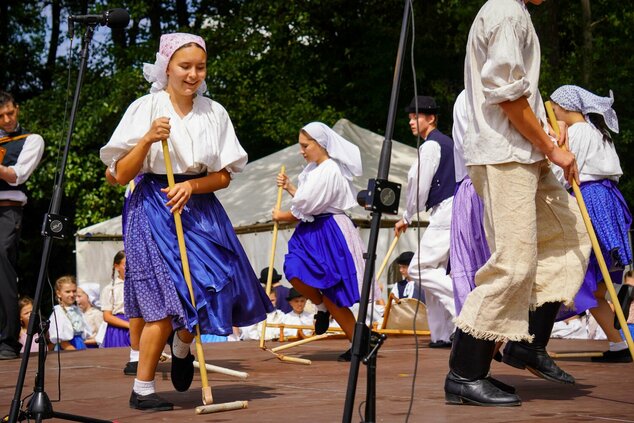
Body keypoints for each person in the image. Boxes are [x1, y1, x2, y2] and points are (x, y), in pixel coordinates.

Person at [100, 32, 273, 411]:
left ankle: (183, 343)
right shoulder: (145, 107)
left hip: (200, 204)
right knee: (168, 299)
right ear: (166, 67)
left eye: (200, 66)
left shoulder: (215, 112)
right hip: (153, 206)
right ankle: (142, 389)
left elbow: (226, 174)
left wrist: (192, 185)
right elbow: (118, 175)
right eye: (185, 66)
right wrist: (146, 139)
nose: (193, 74)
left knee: (208, 289)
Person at [445, 0, 591, 407]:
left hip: (524, 151)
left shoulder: (517, 12)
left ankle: (527, 343)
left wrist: (546, 138)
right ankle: (464, 373)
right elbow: (507, 98)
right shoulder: (506, 12)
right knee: (514, 262)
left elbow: (521, 95)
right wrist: (551, 147)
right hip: (504, 154)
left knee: (569, 237)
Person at [549, 85, 633, 363]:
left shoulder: (578, 132)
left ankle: (532, 339)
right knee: (594, 286)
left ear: (564, 107)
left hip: (590, 201)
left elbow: (565, 172)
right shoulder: (596, 132)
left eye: (554, 106)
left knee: (579, 277)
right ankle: (619, 344)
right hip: (605, 199)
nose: (553, 112)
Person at [273, 121, 365, 362]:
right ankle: (320, 307)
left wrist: (282, 216)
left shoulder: (330, 169)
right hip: (312, 230)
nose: (301, 151)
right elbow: (307, 200)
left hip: (329, 230)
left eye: (305, 146)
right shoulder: (315, 169)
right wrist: (291, 187)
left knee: (333, 291)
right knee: (294, 271)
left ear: (320, 144)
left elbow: (308, 206)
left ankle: (358, 344)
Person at [394, 95, 456, 349]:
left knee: (419, 268)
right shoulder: (449, 144)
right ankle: (441, 334)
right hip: (451, 209)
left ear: (430, 118)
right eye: (409, 117)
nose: (411, 122)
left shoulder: (431, 146)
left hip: (447, 210)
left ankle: (465, 309)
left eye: (415, 117)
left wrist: (407, 215)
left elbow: (417, 183)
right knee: (434, 274)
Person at [0, 91, 45, 360]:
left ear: (17, 109)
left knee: (2, 260)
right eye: (1, 116)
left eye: (10, 113)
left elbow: (17, 176)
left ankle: (7, 339)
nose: (6, 119)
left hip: (8, 211)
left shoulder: (31, 140)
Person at [48, 276, 91, 351]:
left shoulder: (77, 310)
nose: (72, 294)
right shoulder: (58, 312)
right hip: (67, 348)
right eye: (67, 292)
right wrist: (73, 351)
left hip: (79, 344)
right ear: (59, 293)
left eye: (74, 291)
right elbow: (61, 340)